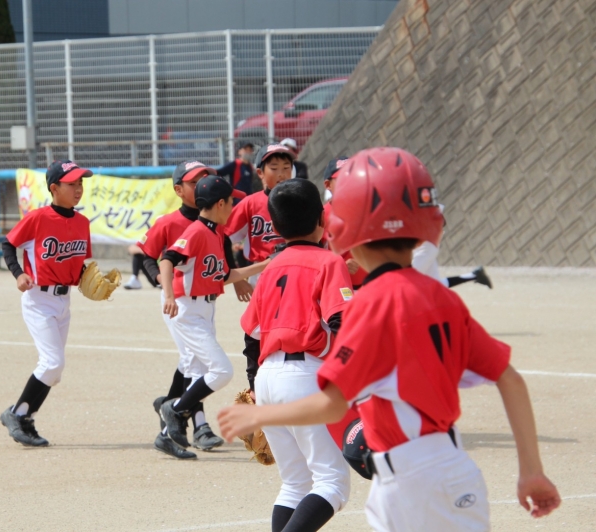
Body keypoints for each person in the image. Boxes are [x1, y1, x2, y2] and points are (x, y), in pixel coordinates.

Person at [218, 147, 561, 531]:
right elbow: (510, 380)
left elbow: (332, 404)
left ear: (341, 230)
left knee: (311, 482)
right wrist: (532, 470)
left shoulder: (369, 306)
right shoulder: (445, 300)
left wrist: (261, 414)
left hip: (404, 481)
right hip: (455, 470)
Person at [241, 178, 354, 532]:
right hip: (306, 377)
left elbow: (251, 334)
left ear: (274, 226)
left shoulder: (271, 268)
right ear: (323, 218)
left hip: (267, 379)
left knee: (295, 483)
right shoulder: (329, 262)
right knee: (333, 482)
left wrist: (254, 386)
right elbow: (342, 322)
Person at [158, 176, 269, 455]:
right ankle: (175, 409)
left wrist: (265, 265)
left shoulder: (217, 234)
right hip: (188, 310)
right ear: (220, 204)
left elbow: (225, 276)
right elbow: (167, 259)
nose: (233, 207)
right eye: (231, 202)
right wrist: (169, 296)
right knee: (221, 371)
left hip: (206, 309)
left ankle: (165, 437)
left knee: (196, 372)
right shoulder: (196, 231)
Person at [136, 161, 233, 459]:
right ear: (179, 190)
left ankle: (171, 418)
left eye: (205, 178)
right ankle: (196, 422)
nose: (202, 183)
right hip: (179, 300)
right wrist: (163, 284)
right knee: (198, 364)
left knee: (193, 364)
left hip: (203, 299)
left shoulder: (216, 226)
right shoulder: (170, 223)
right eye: (194, 181)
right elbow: (150, 256)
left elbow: (224, 267)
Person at [0, 160, 93, 447]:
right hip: (38, 299)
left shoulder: (82, 223)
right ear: (54, 188)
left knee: (54, 371)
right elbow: (8, 244)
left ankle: (25, 417)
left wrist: (91, 280)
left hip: (64, 301)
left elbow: (78, 263)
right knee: (52, 363)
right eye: (71, 184)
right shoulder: (38, 218)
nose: (78, 188)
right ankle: (17, 414)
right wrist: (18, 273)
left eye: (80, 183)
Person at [224, 143, 292, 392]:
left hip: (298, 271)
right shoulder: (251, 203)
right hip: (262, 274)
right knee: (258, 330)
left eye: (286, 167)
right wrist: (237, 278)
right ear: (260, 172)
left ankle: (286, 382)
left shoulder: (301, 198)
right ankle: (255, 386)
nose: (282, 173)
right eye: (274, 168)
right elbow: (224, 238)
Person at [322, 156, 367, 290]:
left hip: (373, 284)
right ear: (328, 185)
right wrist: (339, 265)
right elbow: (316, 255)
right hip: (342, 289)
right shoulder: (320, 216)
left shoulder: (369, 209)